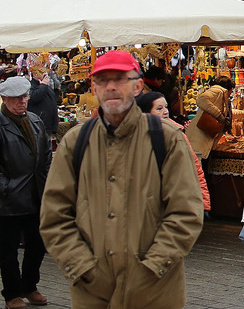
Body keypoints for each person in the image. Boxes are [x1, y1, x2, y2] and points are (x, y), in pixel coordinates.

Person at [40, 50, 204, 309]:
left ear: (138, 85)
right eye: (103, 80)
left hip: (155, 293)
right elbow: (54, 216)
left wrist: (151, 267)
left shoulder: (167, 140)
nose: (111, 87)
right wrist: (83, 268)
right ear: (93, 88)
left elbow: (186, 213)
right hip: (93, 293)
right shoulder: (75, 142)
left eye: (120, 79)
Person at [0, 76, 52, 308]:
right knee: (8, 251)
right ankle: (12, 293)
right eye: (16, 98)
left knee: (38, 244)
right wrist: (6, 188)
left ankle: (29, 285)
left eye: (25, 96)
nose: (23, 101)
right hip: (8, 200)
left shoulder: (34, 121)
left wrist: (49, 183)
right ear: (4, 99)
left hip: (36, 195)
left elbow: (46, 156)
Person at [137, 92, 211, 213]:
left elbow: (194, 168)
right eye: (159, 109)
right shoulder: (136, 137)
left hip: (175, 201)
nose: (165, 111)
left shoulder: (178, 134)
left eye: (166, 107)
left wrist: (203, 202)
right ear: (146, 113)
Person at [185, 76, 234, 160]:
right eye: (231, 89)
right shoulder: (217, 91)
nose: (232, 92)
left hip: (203, 137)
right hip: (199, 137)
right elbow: (201, 100)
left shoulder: (221, 94)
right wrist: (219, 116)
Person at [26, 69, 59, 139]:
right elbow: (34, 97)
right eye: (42, 72)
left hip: (49, 125)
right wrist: (43, 85)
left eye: (45, 71)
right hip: (39, 126)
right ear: (35, 74)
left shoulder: (46, 86)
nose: (45, 74)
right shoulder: (30, 86)